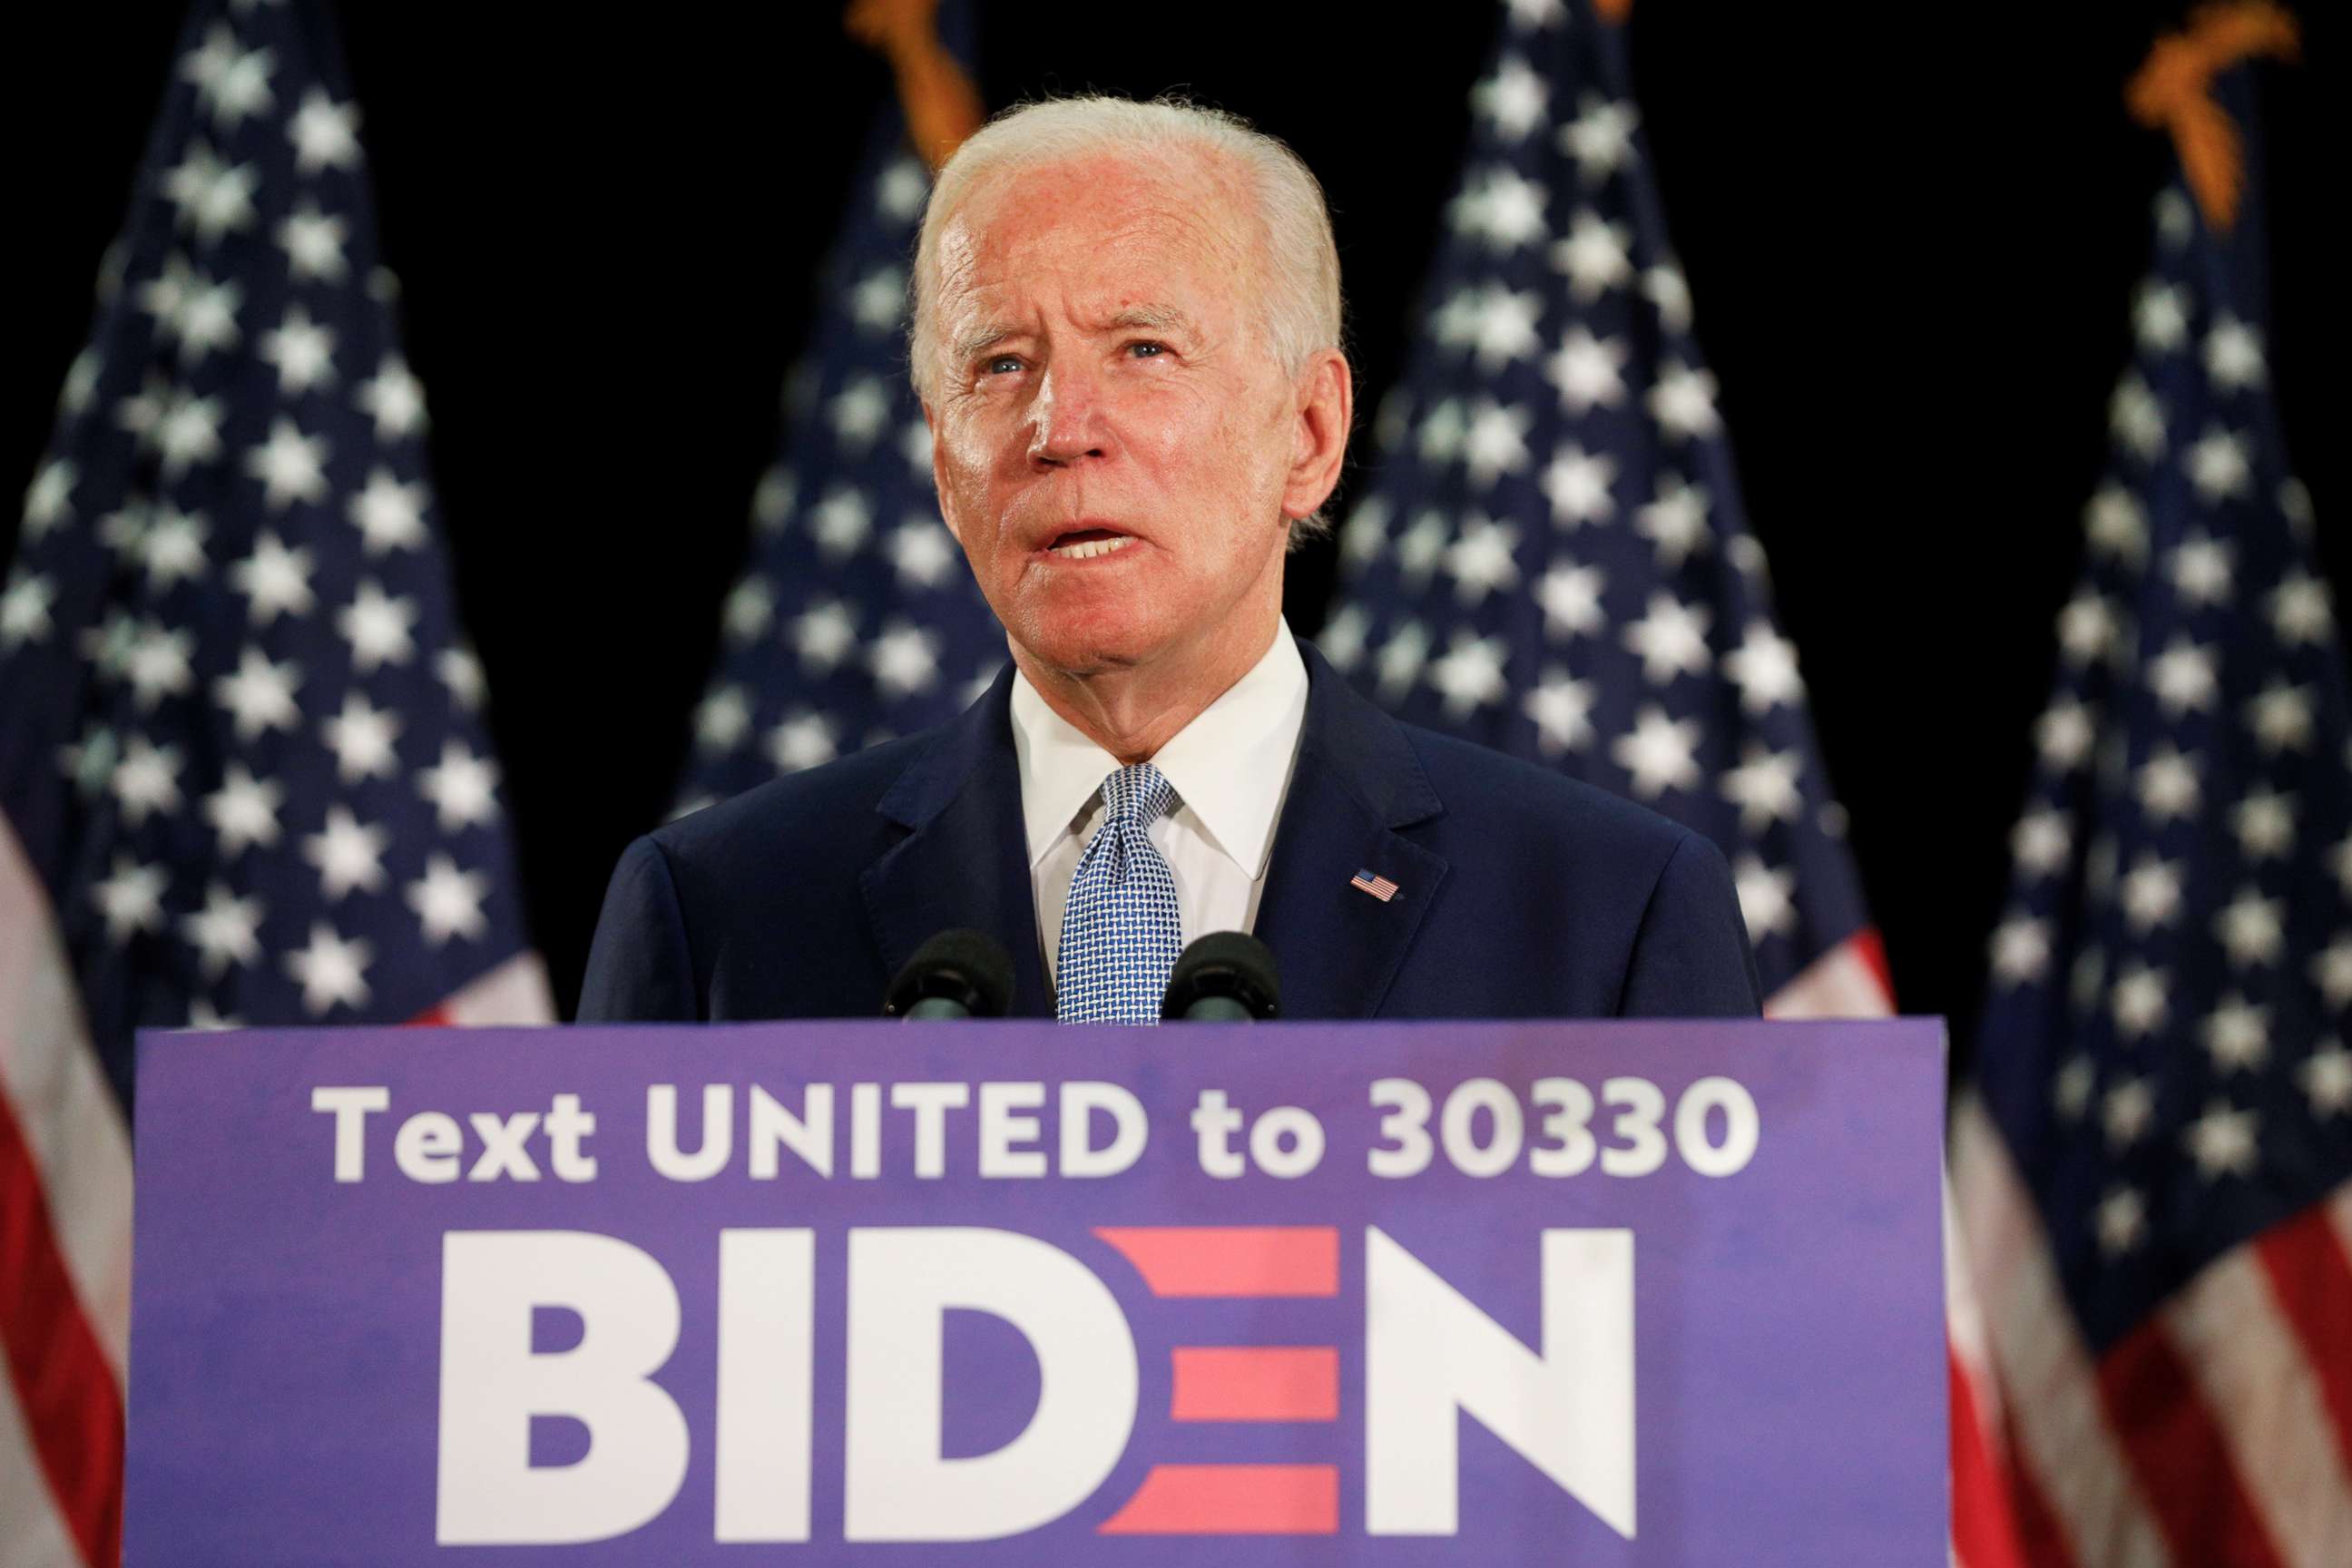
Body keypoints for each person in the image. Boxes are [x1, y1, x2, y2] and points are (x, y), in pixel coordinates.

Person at [578, 95, 1759, 1024]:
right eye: (999, 364)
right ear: (944, 463)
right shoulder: (718, 913)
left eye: (1143, 349)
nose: (1060, 427)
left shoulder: (1604, 912)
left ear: (1309, 434)